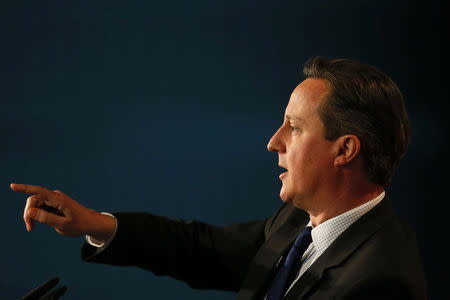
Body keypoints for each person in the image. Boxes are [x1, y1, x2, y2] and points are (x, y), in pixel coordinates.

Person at [11, 57, 427, 299]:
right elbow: (201, 249)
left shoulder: (381, 281)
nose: (273, 142)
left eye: (294, 127)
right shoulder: (298, 221)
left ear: (344, 150)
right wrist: (93, 223)